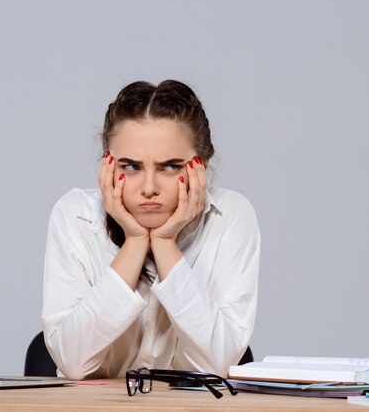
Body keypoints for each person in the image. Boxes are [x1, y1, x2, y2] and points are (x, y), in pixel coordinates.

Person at [42, 80, 260, 380]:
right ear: (108, 165)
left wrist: (165, 242)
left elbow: (219, 364)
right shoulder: (75, 215)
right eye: (130, 166)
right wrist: (134, 242)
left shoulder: (231, 216)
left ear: (203, 166)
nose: (148, 188)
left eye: (170, 166)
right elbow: (73, 363)